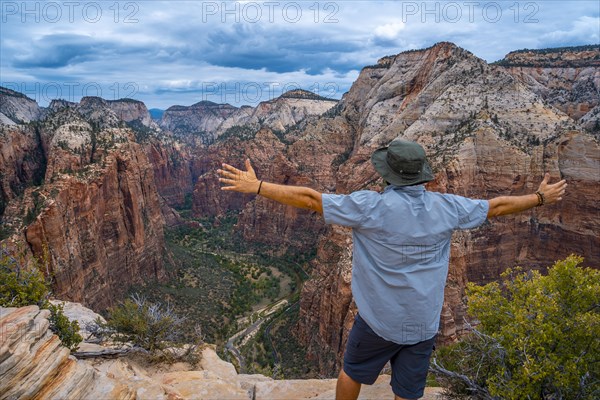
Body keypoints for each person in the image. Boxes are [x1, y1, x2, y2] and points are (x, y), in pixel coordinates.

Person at [217, 139, 567, 400]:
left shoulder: (370, 206)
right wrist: (539, 198)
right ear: (422, 177)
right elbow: (498, 207)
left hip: (379, 321)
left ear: (388, 174)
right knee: (408, 390)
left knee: (352, 372)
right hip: (423, 323)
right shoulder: (448, 208)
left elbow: (310, 199)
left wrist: (258, 186)